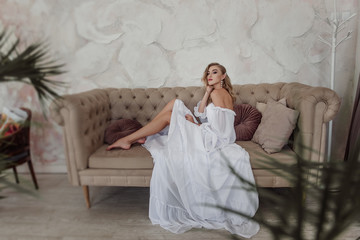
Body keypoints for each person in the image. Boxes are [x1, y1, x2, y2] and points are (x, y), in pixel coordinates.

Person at [107, 63, 259, 238]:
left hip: (209, 140)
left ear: (223, 76)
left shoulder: (219, 94)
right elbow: (203, 113)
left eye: (215, 72)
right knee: (175, 103)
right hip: (209, 133)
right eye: (208, 72)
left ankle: (129, 139)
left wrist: (194, 125)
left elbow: (220, 130)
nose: (210, 75)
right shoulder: (220, 94)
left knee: (167, 116)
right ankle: (144, 135)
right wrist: (207, 93)